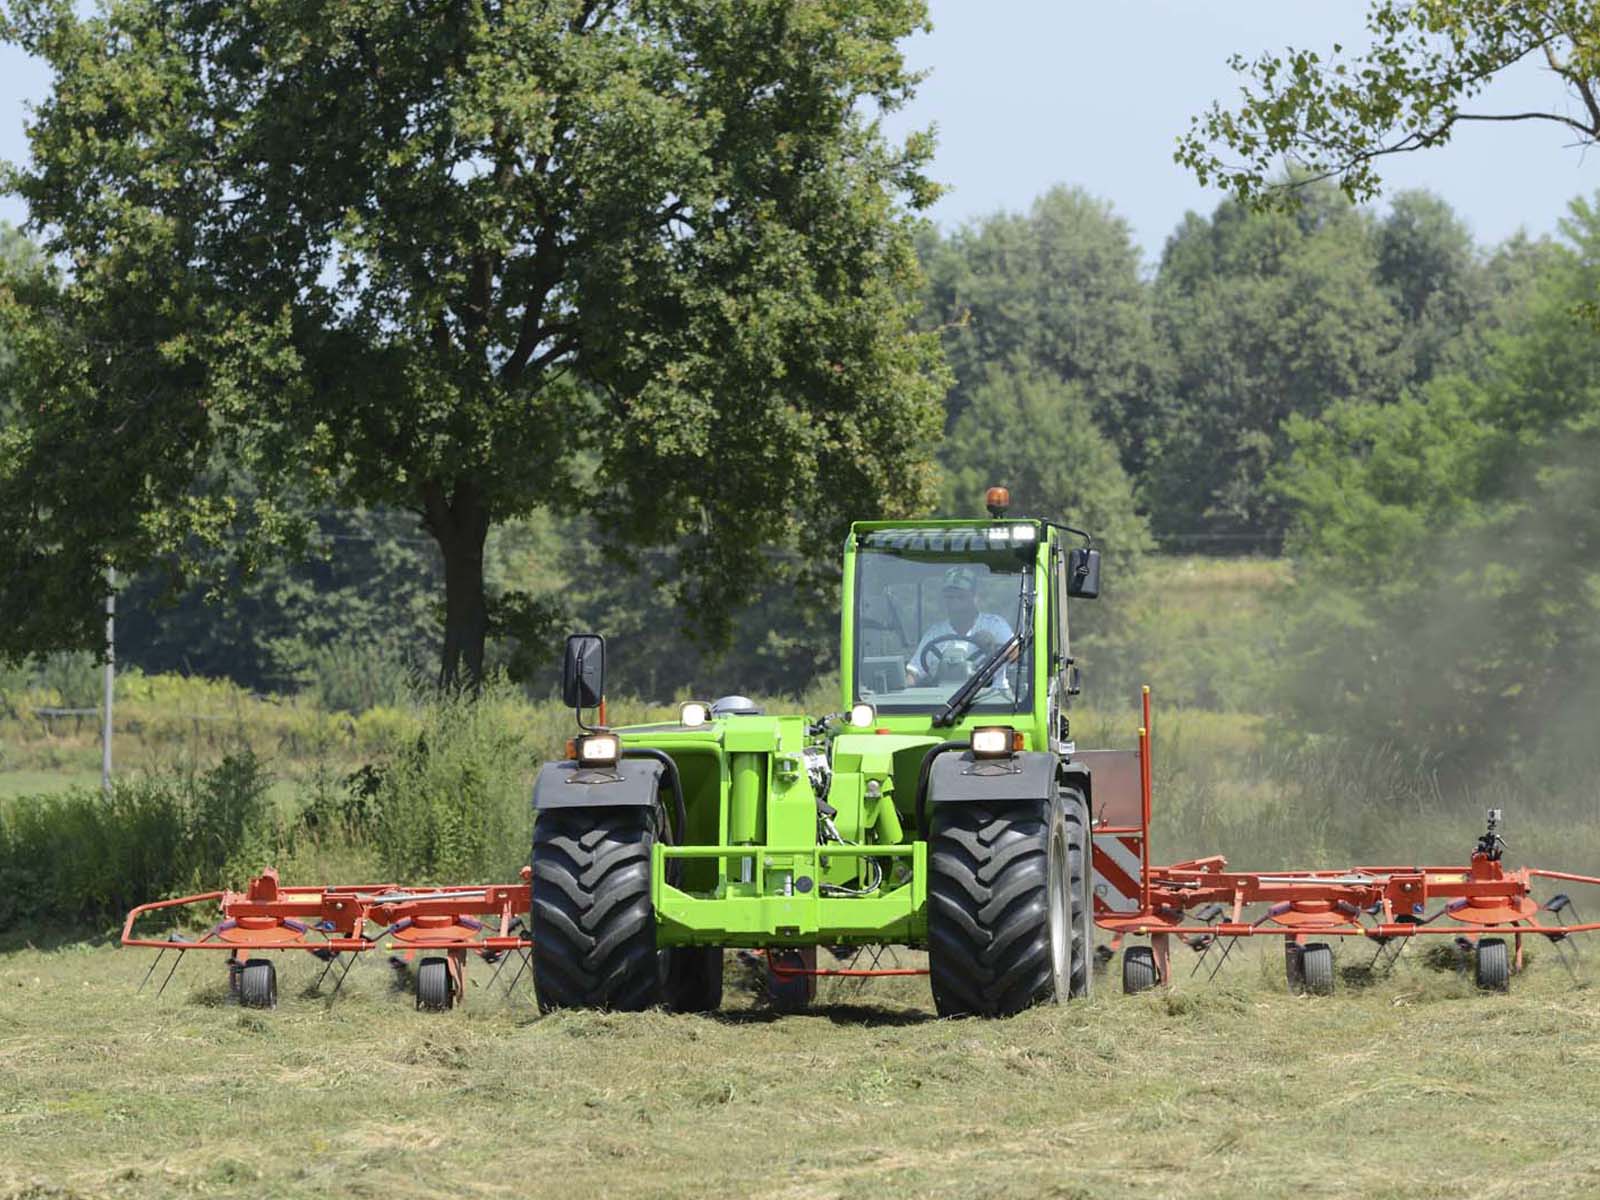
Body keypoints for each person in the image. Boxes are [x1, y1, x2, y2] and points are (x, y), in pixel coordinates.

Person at [905, 566, 1014, 686]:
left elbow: (1016, 653)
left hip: (993, 699)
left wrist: (993, 648)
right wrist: (902, 692)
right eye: (950, 597)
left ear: (975, 597)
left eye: (961, 597)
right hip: (942, 700)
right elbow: (914, 672)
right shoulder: (935, 633)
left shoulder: (995, 625)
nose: (955, 602)